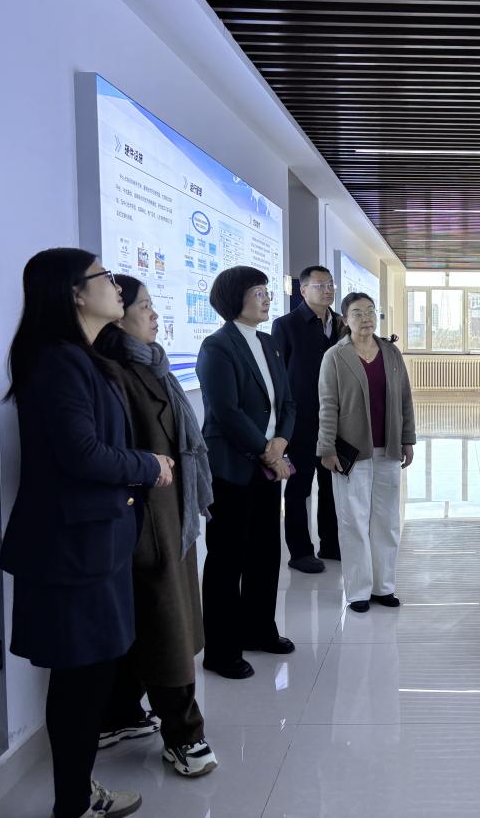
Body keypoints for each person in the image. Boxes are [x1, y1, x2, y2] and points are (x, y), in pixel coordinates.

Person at [0, 248, 173, 818]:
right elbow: (82, 454)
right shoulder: (58, 361)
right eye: (104, 277)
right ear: (75, 293)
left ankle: (74, 797)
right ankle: (73, 803)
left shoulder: (80, 357)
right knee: (80, 681)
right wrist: (148, 465)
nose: (116, 287)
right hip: (72, 550)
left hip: (91, 544)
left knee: (86, 678)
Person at [94, 275, 217, 777]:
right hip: (146, 521)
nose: (154, 314)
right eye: (144, 306)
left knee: (152, 618)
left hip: (170, 516)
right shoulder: (112, 374)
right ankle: (185, 736)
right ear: (117, 314)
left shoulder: (153, 365)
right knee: (166, 624)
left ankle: (119, 713)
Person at [196, 266, 297, 680]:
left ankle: (259, 630)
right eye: (259, 292)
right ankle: (221, 651)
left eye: (267, 291)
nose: (267, 298)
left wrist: (281, 441)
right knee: (227, 558)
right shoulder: (217, 346)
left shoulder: (268, 343)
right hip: (232, 467)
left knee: (265, 551)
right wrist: (266, 450)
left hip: (267, 465)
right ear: (235, 297)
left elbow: (287, 402)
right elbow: (226, 411)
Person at [317, 293, 416, 612]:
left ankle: (383, 587)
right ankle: (359, 591)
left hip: (388, 448)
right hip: (351, 451)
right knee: (354, 520)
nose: (366, 318)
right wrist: (326, 447)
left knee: (386, 520)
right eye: (358, 313)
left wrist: (407, 438)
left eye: (371, 312)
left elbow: (405, 399)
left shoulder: (390, 352)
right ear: (345, 320)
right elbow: (327, 406)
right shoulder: (335, 356)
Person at [271, 265, 343, 574]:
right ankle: (300, 552)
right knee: (299, 488)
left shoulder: (340, 324)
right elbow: (278, 378)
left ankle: (331, 544)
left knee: (332, 484)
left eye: (330, 284)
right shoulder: (285, 325)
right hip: (300, 422)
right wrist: (281, 426)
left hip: (335, 420)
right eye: (320, 285)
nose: (327, 290)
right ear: (303, 290)